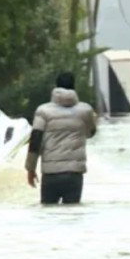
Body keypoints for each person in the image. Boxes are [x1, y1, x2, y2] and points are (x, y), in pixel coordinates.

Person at [25, 72, 97, 205]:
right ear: (74, 87)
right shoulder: (86, 110)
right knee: (72, 217)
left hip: (51, 173)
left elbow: (35, 140)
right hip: (74, 174)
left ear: (56, 87)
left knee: (49, 216)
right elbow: (91, 133)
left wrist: (30, 169)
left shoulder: (43, 111)